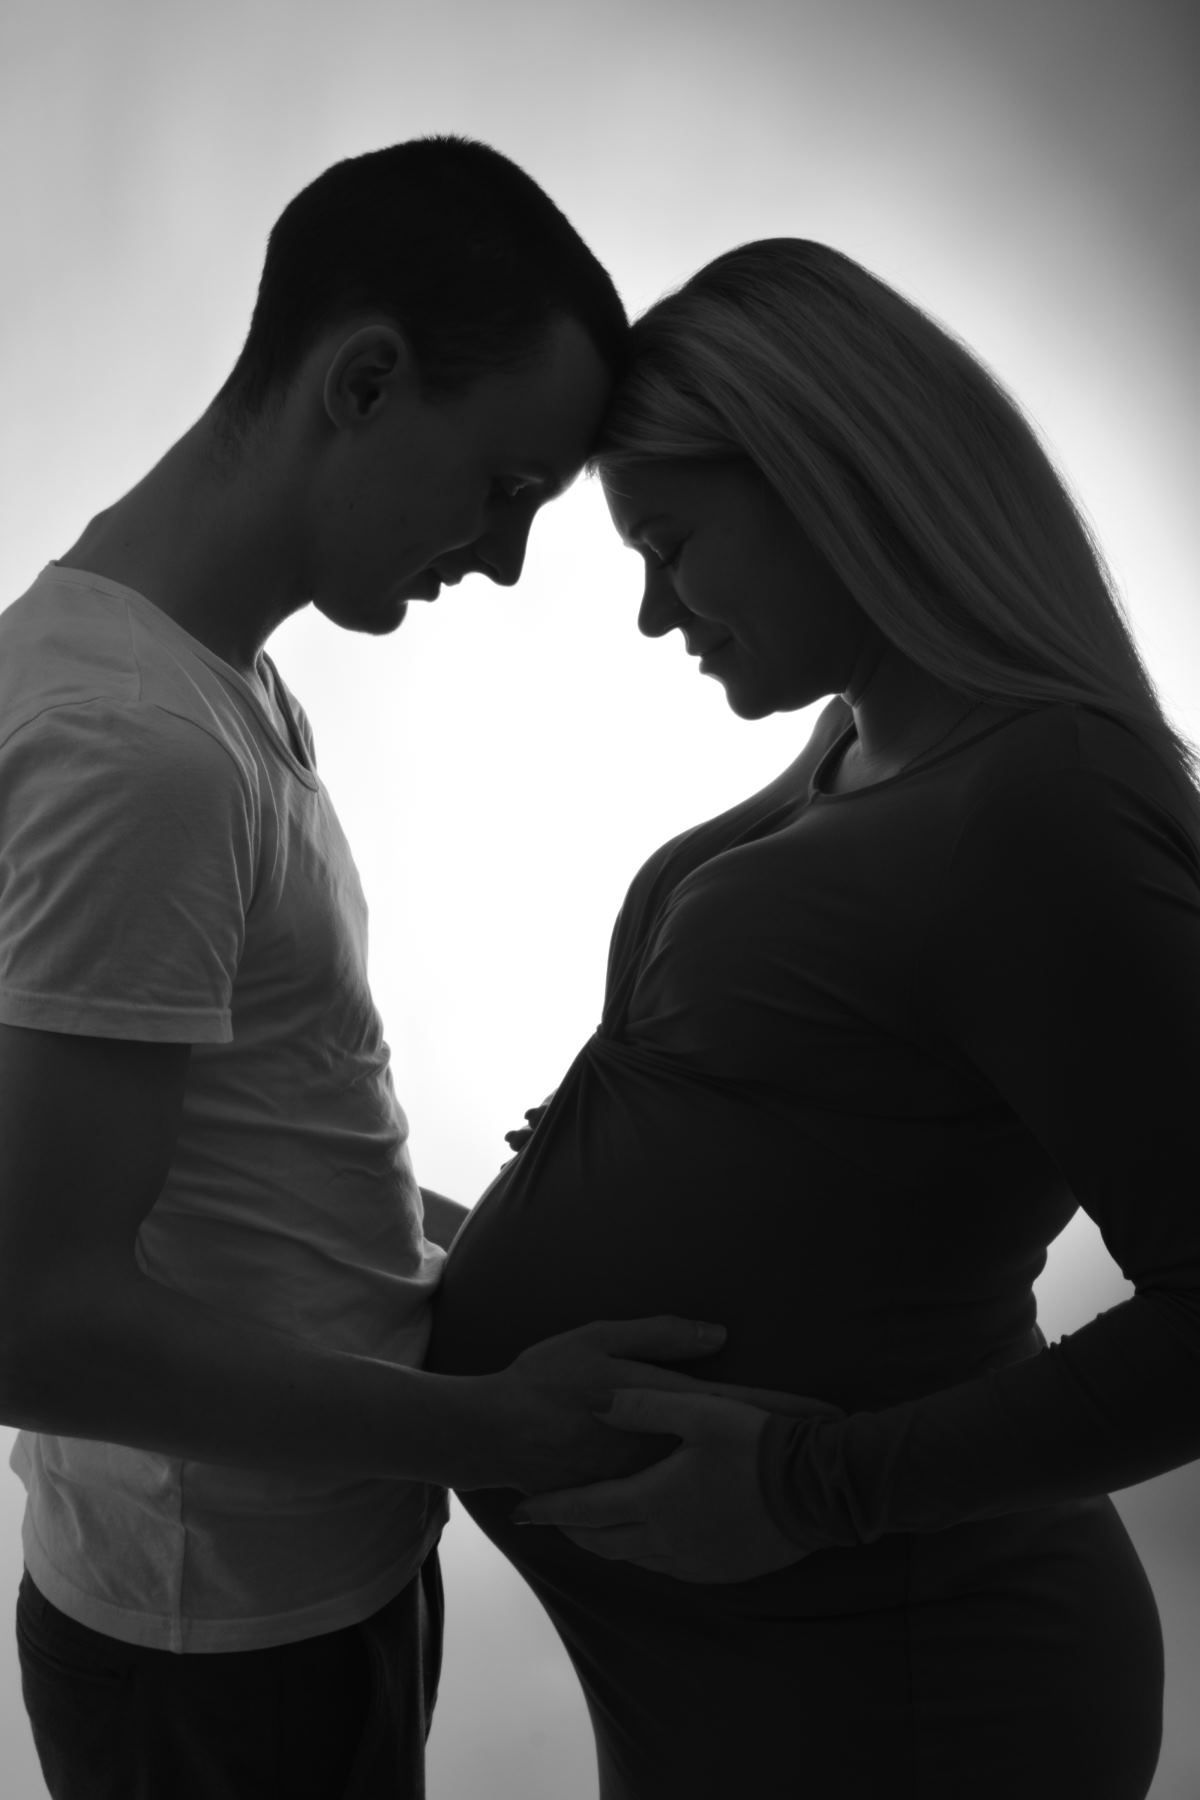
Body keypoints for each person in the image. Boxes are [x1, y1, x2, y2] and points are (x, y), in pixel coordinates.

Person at [0, 136, 732, 1800]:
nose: (505, 559)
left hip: (306, 1580)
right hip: (217, 1649)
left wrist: (500, 1249)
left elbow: (250, 1146)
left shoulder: (207, 692)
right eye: (507, 486)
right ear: (366, 382)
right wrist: (494, 1428)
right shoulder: (137, 750)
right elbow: (29, 1325)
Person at [425, 238, 1200, 1799]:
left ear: (825, 478)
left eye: (672, 545)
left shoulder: (1047, 797)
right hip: (749, 1682)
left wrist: (807, 1485)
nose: (655, 613)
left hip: (915, 1692)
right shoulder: (872, 732)